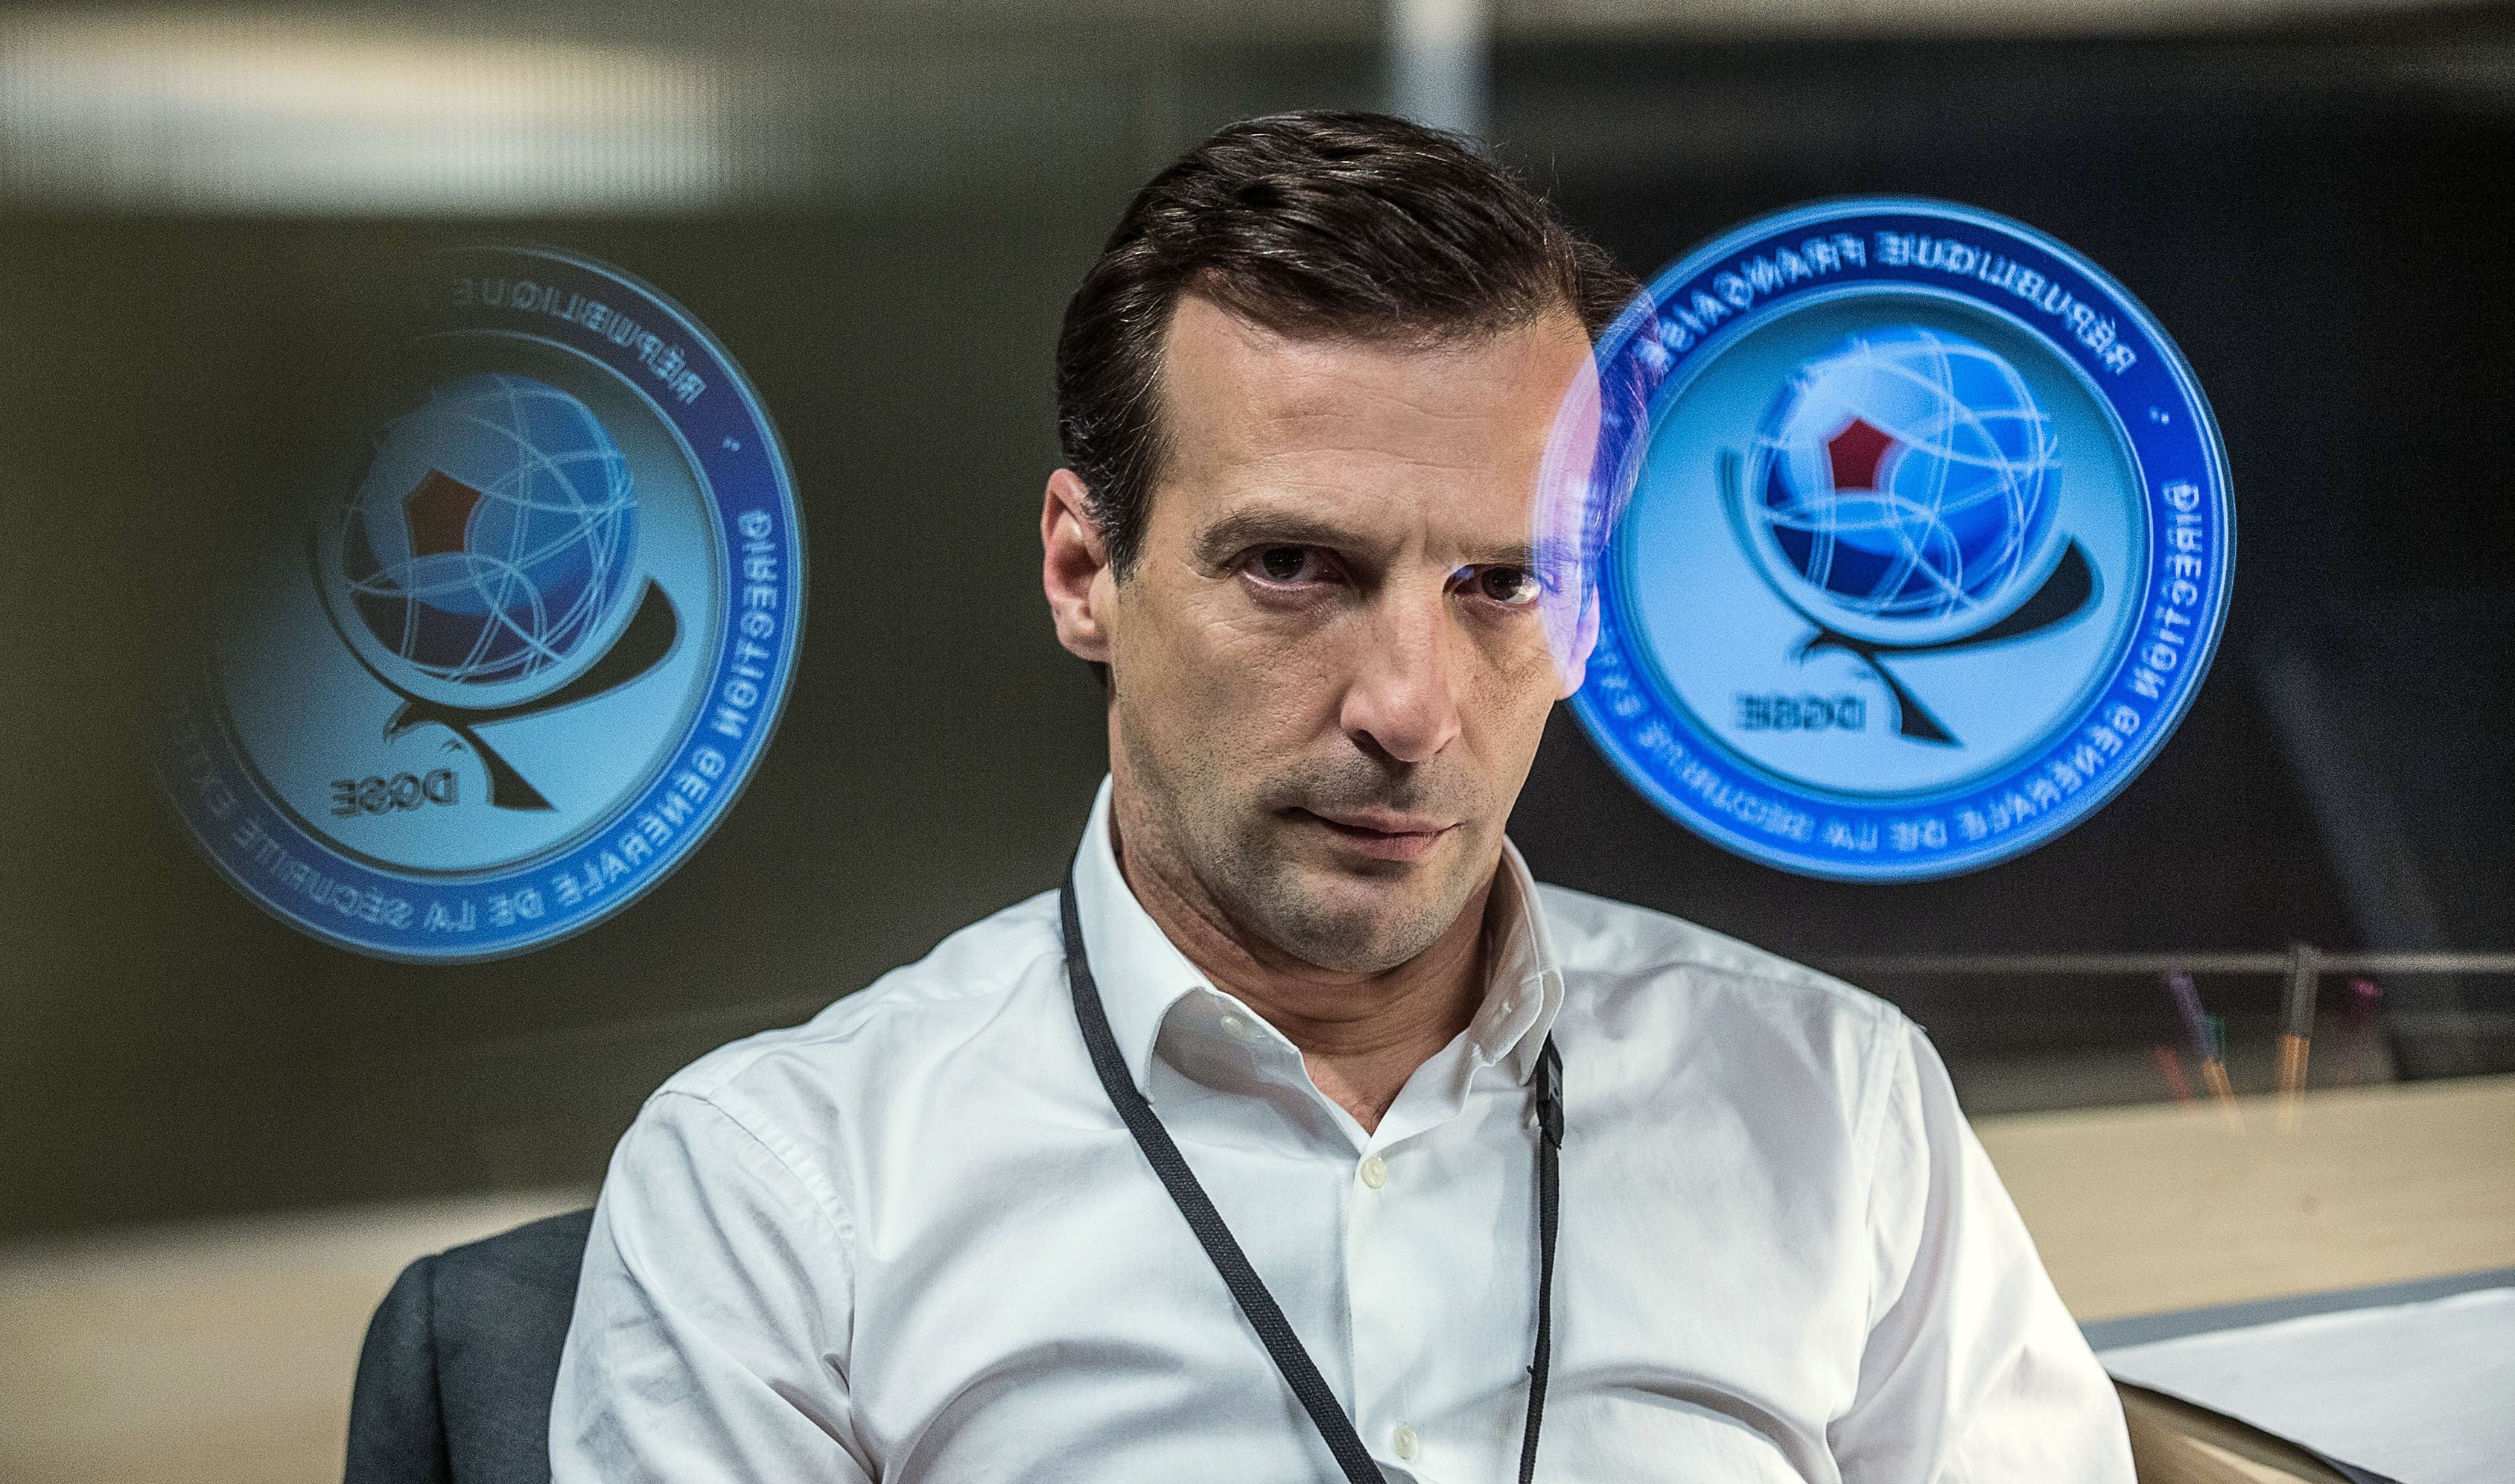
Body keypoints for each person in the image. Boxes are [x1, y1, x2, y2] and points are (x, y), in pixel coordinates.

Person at [550, 112, 2132, 1483]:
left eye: (1503, 581)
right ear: (1085, 570)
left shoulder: (1837, 1108)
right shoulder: (776, 1191)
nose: (1410, 707)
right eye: (1295, 565)